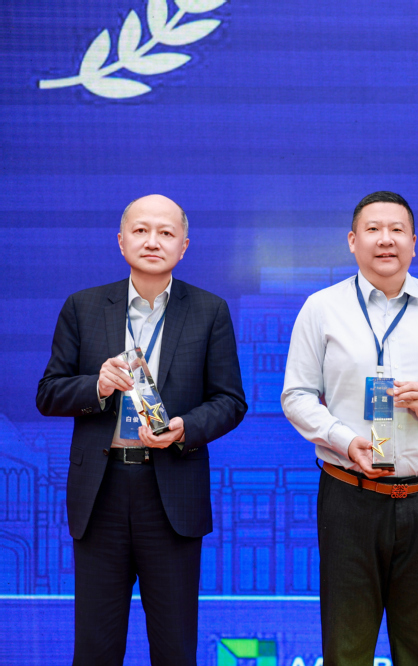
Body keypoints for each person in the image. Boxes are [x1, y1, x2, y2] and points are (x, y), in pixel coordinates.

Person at [281, 191, 418, 665]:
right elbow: (296, 396)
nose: (386, 240)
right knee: (346, 649)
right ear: (352, 241)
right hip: (348, 498)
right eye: (374, 230)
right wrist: (343, 440)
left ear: (414, 243)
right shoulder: (321, 308)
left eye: (397, 230)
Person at [36, 194, 247, 665]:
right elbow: (48, 393)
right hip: (102, 492)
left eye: (166, 233)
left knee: (174, 648)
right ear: (121, 240)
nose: (153, 241)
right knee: (95, 649)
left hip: (171, 491)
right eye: (140, 230)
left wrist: (184, 428)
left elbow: (231, 401)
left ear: (184, 246)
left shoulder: (209, 310)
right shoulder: (83, 306)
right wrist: (97, 386)